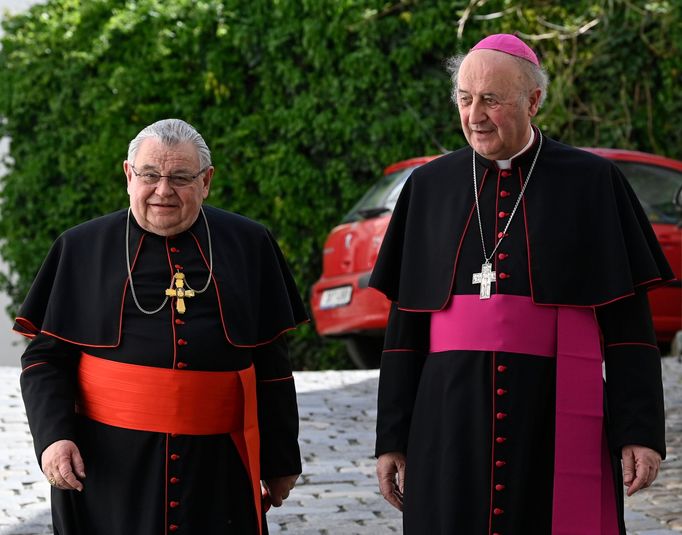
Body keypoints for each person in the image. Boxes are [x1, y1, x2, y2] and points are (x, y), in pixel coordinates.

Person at [370, 34, 672, 535]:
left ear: (533, 101)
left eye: (491, 99)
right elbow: (404, 332)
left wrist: (639, 431)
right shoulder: (428, 187)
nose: (475, 115)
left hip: (551, 414)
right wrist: (392, 438)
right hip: (448, 421)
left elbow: (627, 326)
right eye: (465, 99)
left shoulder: (592, 182)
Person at [15, 118, 308, 535]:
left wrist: (280, 460)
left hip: (218, 466)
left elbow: (272, 361)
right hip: (109, 466)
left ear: (206, 181)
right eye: (149, 175)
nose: (163, 190)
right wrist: (54, 438)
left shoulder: (250, 244)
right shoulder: (80, 247)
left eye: (181, 177)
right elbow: (44, 360)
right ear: (128, 175)